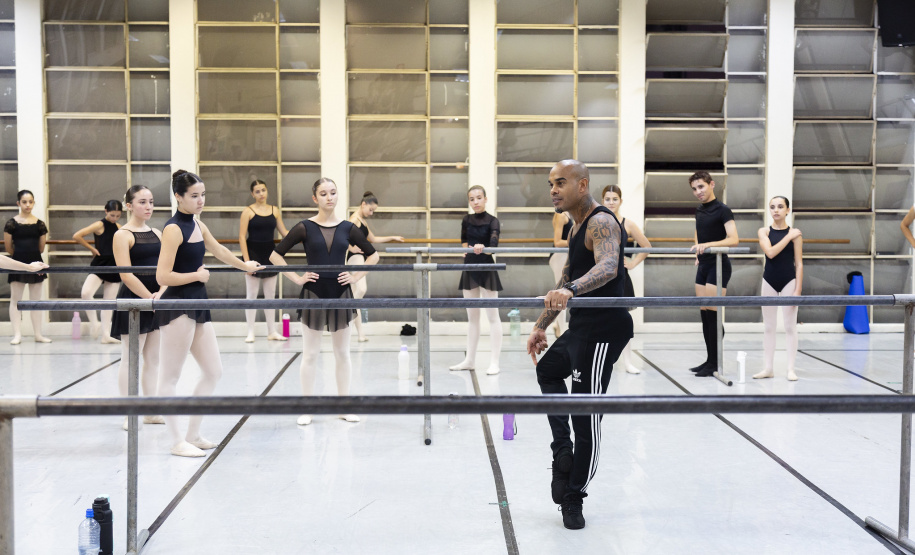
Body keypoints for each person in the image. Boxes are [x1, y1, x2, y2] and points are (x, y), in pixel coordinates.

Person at [527, 159, 633, 530]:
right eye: (550, 184)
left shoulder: (602, 221)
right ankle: (562, 450)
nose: (553, 190)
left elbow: (607, 266)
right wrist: (541, 325)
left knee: (586, 415)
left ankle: (574, 495)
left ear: (582, 184)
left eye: (560, 183)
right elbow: (567, 276)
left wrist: (568, 290)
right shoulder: (574, 228)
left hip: (605, 331)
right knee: (548, 370)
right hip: (582, 326)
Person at [155, 170, 262, 457]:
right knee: (170, 377)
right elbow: (163, 276)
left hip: (197, 303)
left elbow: (219, 251)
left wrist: (245, 265)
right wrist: (196, 275)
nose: (200, 200)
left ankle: (192, 434)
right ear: (178, 197)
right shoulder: (173, 229)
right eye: (194, 196)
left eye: (203, 194)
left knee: (214, 371)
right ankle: (177, 441)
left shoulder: (198, 226)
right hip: (177, 306)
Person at [270, 177, 379, 426]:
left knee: (343, 354)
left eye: (333, 192)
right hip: (313, 294)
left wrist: (355, 276)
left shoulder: (347, 228)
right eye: (323, 193)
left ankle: (344, 406)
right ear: (315, 198)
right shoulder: (304, 227)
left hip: (341, 294)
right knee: (310, 354)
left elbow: (373, 256)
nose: (329, 197)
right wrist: (297, 279)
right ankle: (307, 408)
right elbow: (275, 255)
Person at [111, 185, 166, 429]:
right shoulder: (122, 235)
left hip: (156, 298)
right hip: (135, 300)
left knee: (153, 358)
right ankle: (129, 412)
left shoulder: (157, 232)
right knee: (131, 357)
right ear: (129, 205)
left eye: (151, 202)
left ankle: (151, 410)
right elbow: (126, 275)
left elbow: (165, 268)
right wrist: (149, 299)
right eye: (142, 202)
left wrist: (161, 294)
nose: (148, 207)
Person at [688, 171, 739, 378]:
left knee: (714, 316)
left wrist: (708, 245)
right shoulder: (699, 211)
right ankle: (710, 360)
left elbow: (734, 239)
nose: (698, 192)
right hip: (704, 265)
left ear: (711, 185)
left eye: (701, 187)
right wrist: (699, 249)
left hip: (719, 265)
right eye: (694, 189)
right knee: (705, 315)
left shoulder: (723, 210)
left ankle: (716, 362)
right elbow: (698, 232)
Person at [449, 185, 504, 375]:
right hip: (470, 268)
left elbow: (493, 246)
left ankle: (494, 362)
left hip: (487, 268)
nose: (475, 202)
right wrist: (467, 249)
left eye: (479, 198)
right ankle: (469, 360)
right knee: (472, 318)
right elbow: (464, 241)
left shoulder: (493, 221)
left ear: (486, 199)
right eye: (472, 199)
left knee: (492, 316)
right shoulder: (466, 220)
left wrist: (483, 247)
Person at [602, 184, 652, 375]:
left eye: (615, 199)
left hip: (620, 278)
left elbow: (646, 246)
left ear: (620, 201)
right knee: (602, 319)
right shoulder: (597, 222)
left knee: (622, 320)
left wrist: (632, 263)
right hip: (600, 278)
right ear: (602, 200)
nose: (611, 202)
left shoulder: (628, 224)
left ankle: (628, 362)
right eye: (608, 199)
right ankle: (604, 359)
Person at [754, 196, 803, 381]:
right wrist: (788, 237)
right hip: (769, 281)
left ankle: (791, 369)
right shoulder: (764, 232)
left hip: (789, 280)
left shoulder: (796, 235)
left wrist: (798, 290)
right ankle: (768, 368)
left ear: (787, 210)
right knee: (769, 327)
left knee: (790, 327)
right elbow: (771, 253)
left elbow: (798, 264)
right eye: (772, 207)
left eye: (780, 207)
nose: (776, 210)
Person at [347, 191, 404, 342]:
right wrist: (351, 248)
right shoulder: (354, 220)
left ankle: (359, 334)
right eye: (370, 210)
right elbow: (340, 236)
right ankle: (346, 314)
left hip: (359, 257)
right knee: (360, 290)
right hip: (355, 257)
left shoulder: (362, 221)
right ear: (363, 204)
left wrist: (392, 237)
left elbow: (373, 238)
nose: (371, 213)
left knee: (356, 296)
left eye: (374, 211)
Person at [239, 179, 289, 343]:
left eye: (263, 190)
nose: (261, 194)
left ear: (267, 191)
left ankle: (272, 331)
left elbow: (283, 231)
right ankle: (250, 331)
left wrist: (303, 234)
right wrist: (246, 262)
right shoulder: (248, 211)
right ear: (252, 194)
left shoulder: (275, 210)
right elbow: (241, 237)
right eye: (258, 191)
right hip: (253, 254)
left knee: (270, 295)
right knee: (251, 295)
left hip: (270, 255)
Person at [4, 190, 52, 344]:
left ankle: (38, 334)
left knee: (36, 301)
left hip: (36, 262)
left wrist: (32, 262)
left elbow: (41, 247)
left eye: (30, 201)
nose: (28, 205)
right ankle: (17, 334)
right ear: (18, 203)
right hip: (17, 262)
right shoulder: (11, 223)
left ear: (34, 202)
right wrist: (20, 261)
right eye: (24, 202)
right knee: (15, 300)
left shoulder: (40, 224)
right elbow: (8, 248)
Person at [73, 200, 123, 344]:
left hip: (114, 264)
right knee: (86, 293)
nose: (114, 218)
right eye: (112, 215)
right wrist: (92, 249)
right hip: (100, 263)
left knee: (109, 302)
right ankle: (94, 323)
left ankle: (106, 334)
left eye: (117, 216)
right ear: (106, 211)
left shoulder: (119, 227)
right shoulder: (99, 225)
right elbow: (77, 235)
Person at [549, 211, 572, 337]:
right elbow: (557, 242)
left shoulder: (566, 214)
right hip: (559, 256)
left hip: (564, 256)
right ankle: (561, 330)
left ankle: (558, 325)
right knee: (561, 292)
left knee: (563, 290)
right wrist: (576, 239)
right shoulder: (561, 215)